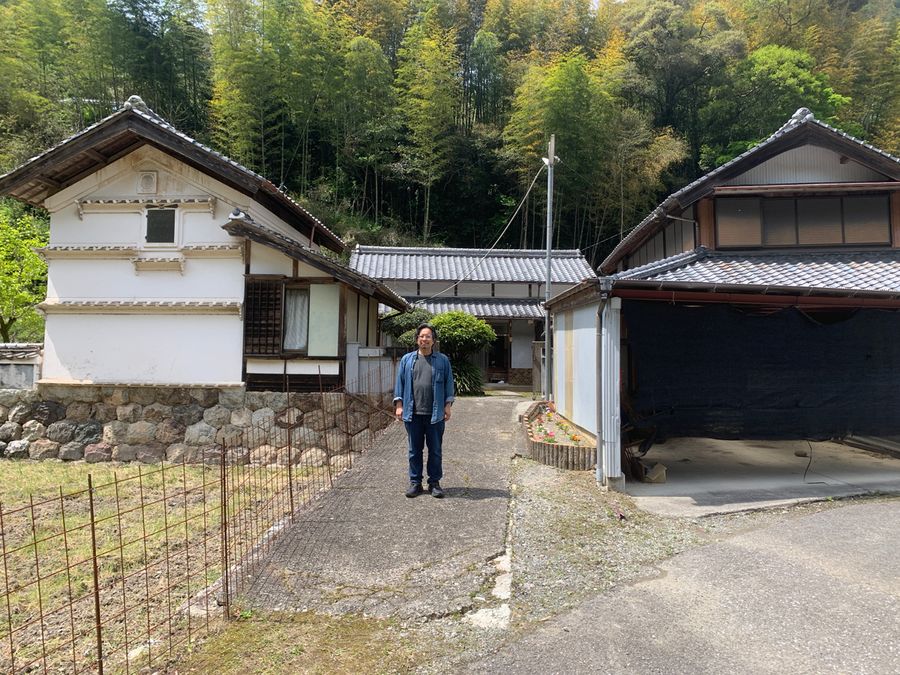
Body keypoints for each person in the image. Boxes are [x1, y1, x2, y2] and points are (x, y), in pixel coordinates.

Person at [393, 323, 455, 498]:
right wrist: (399, 405)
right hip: (413, 413)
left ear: (433, 340)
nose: (424, 339)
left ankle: (434, 482)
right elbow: (400, 383)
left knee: (435, 450)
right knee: (414, 450)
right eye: (421, 336)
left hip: (435, 415)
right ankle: (415, 482)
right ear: (417, 339)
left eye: (428, 336)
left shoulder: (442, 360)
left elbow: (449, 383)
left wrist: (448, 405)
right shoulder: (407, 360)